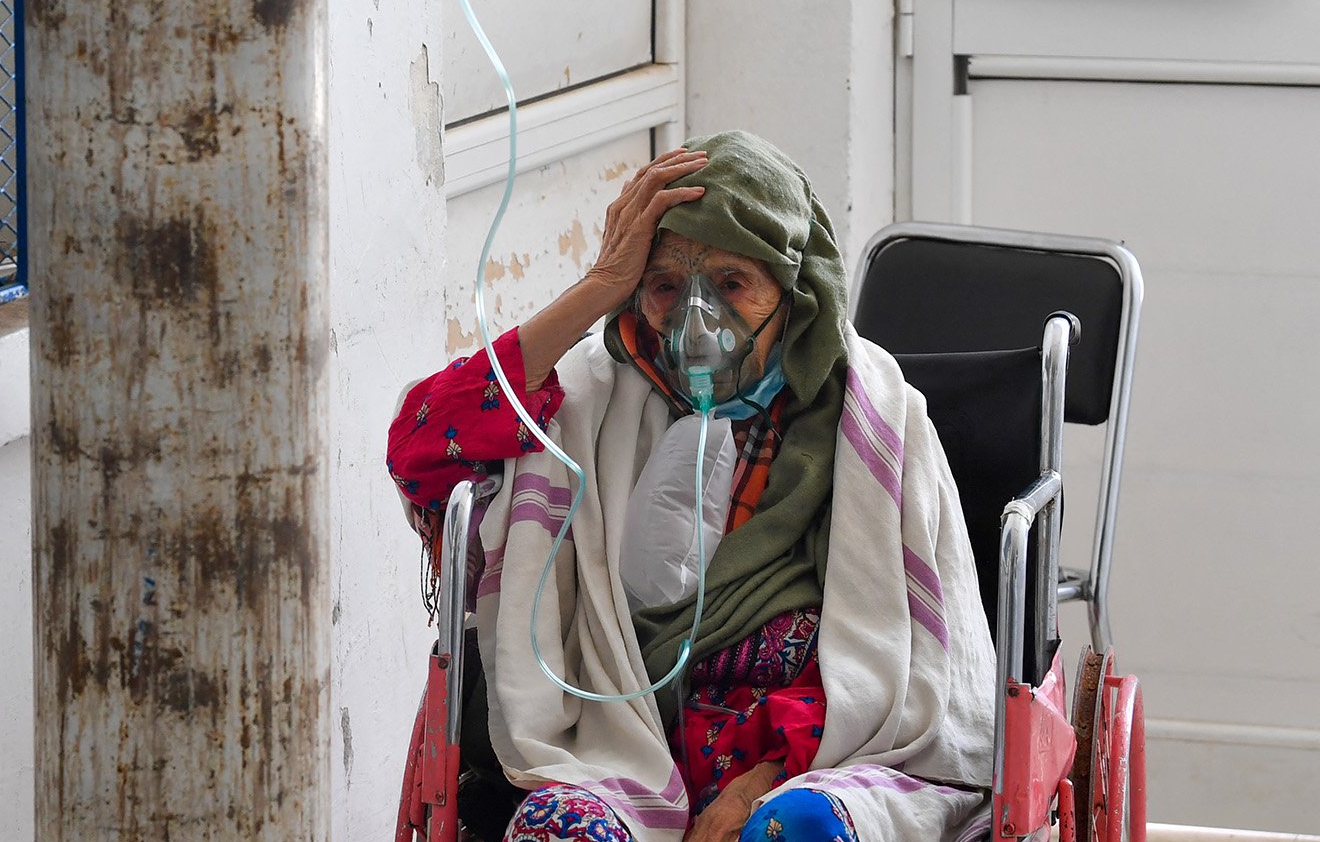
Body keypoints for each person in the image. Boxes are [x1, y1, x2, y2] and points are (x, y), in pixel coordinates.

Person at [387, 131, 997, 842]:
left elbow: (896, 675)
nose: (697, 320)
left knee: (797, 828)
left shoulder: (872, 423)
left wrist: (764, 779)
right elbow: (419, 449)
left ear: (793, 293)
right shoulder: (585, 403)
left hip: (811, 768)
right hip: (610, 759)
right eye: (665, 285)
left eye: (732, 283)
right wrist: (596, 290)